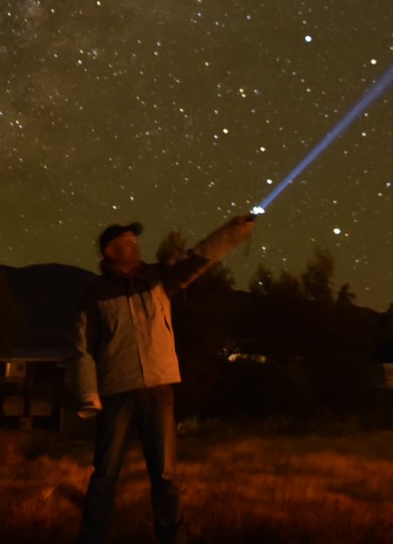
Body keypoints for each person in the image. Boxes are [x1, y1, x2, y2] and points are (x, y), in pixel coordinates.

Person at [72, 211, 255, 544]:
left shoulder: (158, 278)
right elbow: (83, 349)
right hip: (117, 391)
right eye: (128, 240)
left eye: (136, 239)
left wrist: (233, 231)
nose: (136, 243)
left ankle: (172, 538)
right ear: (110, 251)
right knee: (104, 476)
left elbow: (200, 256)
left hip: (159, 388)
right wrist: (88, 393)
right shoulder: (94, 294)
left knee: (166, 475)